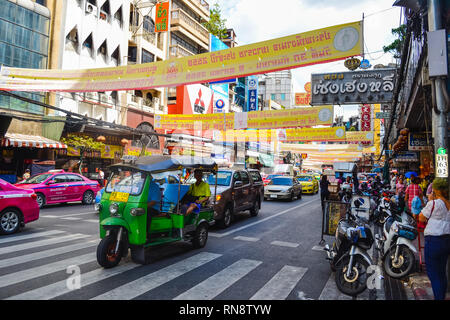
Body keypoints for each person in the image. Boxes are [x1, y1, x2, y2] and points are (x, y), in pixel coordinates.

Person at [417, 178, 450, 300]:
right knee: (441, 272)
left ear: (436, 189)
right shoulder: (448, 204)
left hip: (434, 241)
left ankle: (439, 297)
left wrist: (430, 201)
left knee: (434, 274)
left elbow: (421, 218)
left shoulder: (434, 203)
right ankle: (441, 295)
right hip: (447, 241)